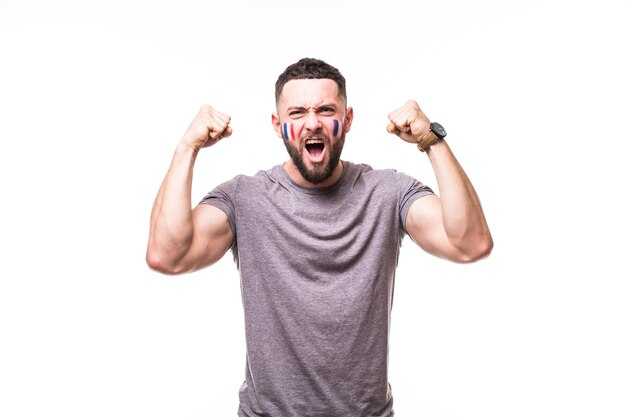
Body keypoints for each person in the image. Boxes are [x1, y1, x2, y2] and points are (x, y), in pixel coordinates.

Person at [146, 58, 493, 417]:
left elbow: (470, 243)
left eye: (326, 109)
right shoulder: (245, 199)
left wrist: (430, 139)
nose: (312, 122)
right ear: (278, 125)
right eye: (296, 113)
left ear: (347, 120)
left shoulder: (387, 193)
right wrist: (187, 147)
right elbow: (167, 255)